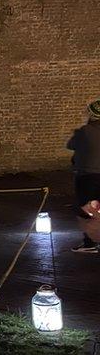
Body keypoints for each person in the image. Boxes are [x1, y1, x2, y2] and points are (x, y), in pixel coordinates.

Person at [67, 99, 100, 253]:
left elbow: (71, 144)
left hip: (88, 176)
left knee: (87, 209)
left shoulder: (85, 131)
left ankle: (90, 243)